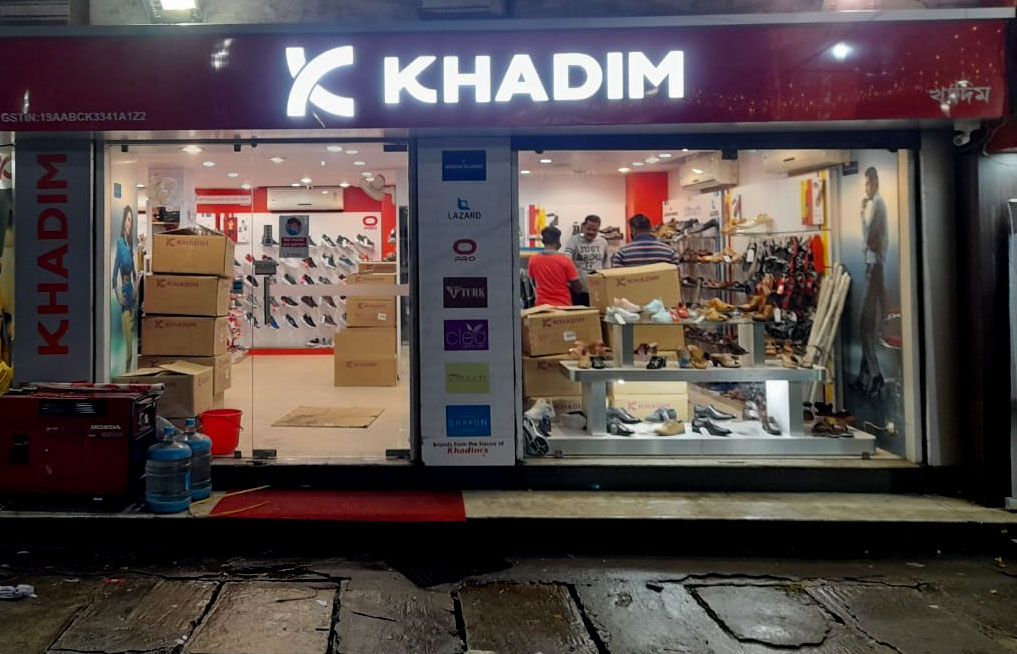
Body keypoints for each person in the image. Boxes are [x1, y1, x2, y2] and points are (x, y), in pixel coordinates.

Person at [852, 166, 889, 398]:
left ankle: (875, 375)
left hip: (874, 267)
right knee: (865, 325)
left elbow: (870, 237)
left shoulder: (878, 204)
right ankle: (864, 377)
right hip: (873, 265)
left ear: (874, 183)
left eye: (867, 183)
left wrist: (861, 215)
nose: (866, 188)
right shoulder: (875, 204)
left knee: (865, 326)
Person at [112, 205, 138, 371]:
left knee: (132, 335)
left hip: (132, 295)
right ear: (124, 222)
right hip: (124, 293)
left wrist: (136, 289)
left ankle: (129, 371)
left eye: (131, 220)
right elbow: (114, 274)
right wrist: (118, 296)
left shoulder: (130, 246)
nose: (129, 223)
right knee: (128, 339)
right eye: (128, 220)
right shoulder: (121, 244)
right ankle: (126, 371)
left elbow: (135, 272)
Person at [528, 226, 582, 306]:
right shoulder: (565, 260)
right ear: (558, 242)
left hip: (541, 306)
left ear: (543, 241)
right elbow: (577, 288)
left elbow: (533, 283)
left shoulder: (533, 260)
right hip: (563, 305)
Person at [563, 214, 610, 305]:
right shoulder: (574, 240)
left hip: (598, 289)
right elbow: (566, 259)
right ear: (583, 227)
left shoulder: (603, 242)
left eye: (594, 230)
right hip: (579, 290)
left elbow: (606, 263)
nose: (591, 232)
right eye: (588, 229)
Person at [611, 213, 680, 267]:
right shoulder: (670, 252)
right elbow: (675, 277)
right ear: (650, 228)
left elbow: (617, 279)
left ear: (633, 230)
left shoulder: (622, 254)